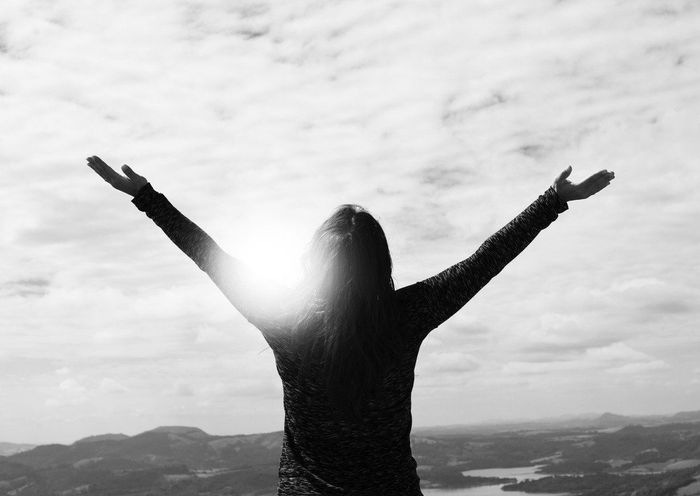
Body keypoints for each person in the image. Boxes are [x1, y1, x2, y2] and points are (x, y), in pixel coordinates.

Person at [86, 155, 614, 495]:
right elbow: (484, 261)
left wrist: (147, 197)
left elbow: (211, 256)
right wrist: (553, 202)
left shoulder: (285, 319)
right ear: (380, 262)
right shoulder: (408, 315)